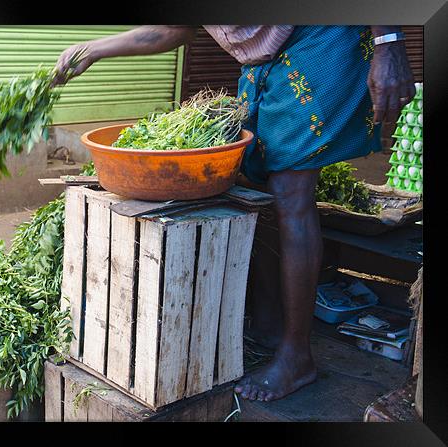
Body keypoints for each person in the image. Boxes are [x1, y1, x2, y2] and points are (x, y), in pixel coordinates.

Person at [52, 25, 415, 402]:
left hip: (321, 34)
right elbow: (171, 30)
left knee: (290, 192)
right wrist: (92, 48)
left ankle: (297, 355)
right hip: (267, 57)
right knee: (259, 181)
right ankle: (270, 322)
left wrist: (389, 44)